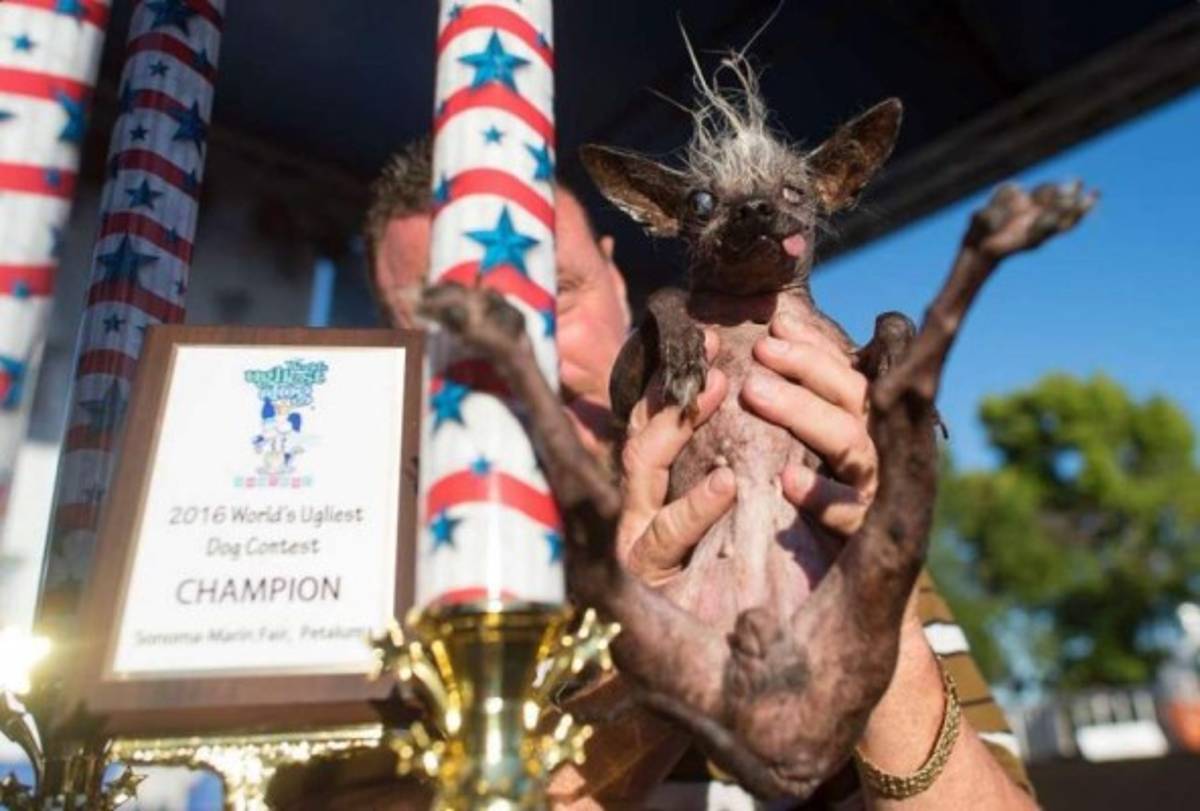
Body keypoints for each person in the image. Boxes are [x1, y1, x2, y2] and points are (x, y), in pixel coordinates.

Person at [356, 143, 1036, 809]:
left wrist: (872, 597)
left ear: (617, 280)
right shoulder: (365, 575)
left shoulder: (829, 483)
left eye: (556, 295)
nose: (539, 358)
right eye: (449, 320)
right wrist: (647, 654)